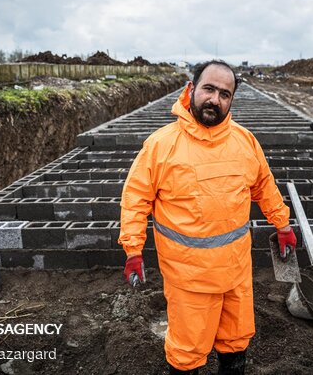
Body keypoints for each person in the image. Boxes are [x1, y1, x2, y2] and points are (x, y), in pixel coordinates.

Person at [118, 60, 296, 375]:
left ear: (231, 100)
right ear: (191, 90)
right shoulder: (161, 145)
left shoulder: (245, 142)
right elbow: (135, 198)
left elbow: (264, 186)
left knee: (237, 342)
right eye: (209, 89)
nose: (215, 99)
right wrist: (133, 249)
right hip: (189, 279)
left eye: (225, 94)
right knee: (187, 354)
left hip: (236, 272)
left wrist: (282, 225)